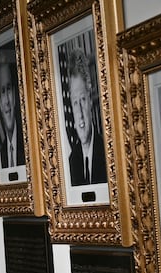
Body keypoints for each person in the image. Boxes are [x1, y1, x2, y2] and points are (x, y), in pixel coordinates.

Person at [67, 49, 106, 186]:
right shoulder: (72, 160)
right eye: (75, 103)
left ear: (90, 100)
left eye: (82, 100)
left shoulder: (106, 152)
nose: (80, 114)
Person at [0, 52, 23, 169]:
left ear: (15, 94)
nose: (7, 102)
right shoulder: (0, 155)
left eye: (9, 89)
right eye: (2, 92)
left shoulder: (27, 145)